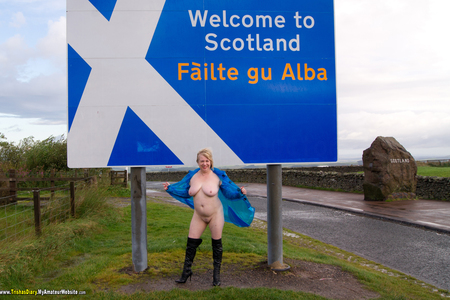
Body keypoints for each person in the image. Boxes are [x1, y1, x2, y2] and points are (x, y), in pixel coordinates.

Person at [164, 148, 255, 286]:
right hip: (198, 216)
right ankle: (186, 272)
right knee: (190, 244)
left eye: (207, 161)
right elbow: (185, 192)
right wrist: (170, 188)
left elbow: (229, 193)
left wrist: (240, 193)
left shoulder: (218, 176)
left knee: (216, 245)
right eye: (202, 161)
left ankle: (216, 276)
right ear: (198, 162)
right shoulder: (192, 176)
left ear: (210, 161)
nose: (204, 163)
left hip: (215, 215)